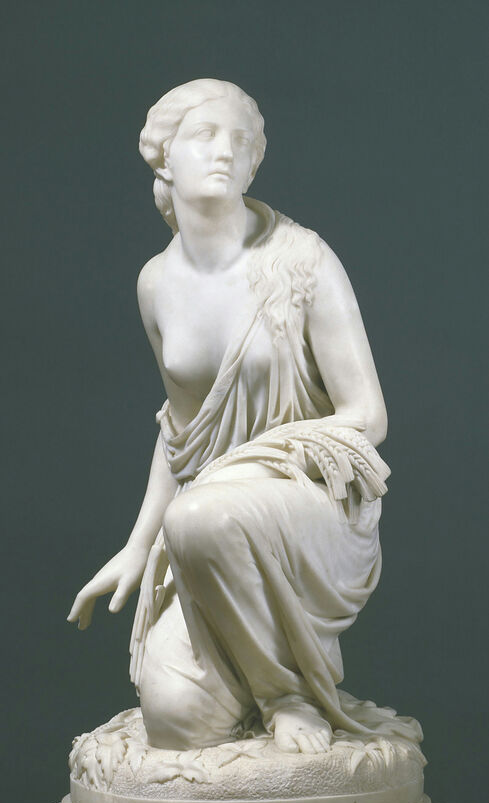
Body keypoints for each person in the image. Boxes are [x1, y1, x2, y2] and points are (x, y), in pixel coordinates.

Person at [68, 80, 419, 754]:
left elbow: (366, 415)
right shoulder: (155, 284)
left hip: (308, 497)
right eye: (205, 135)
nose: (225, 151)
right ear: (164, 156)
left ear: (255, 163)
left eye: (241, 142)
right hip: (202, 523)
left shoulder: (302, 261)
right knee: (175, 719)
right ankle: (253, 679)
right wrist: (137, 547)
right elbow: (182, 432)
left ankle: (285, 695)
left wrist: (249, 467)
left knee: (199, 515)